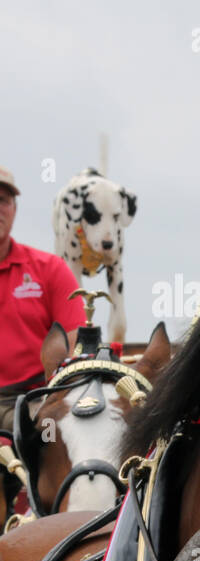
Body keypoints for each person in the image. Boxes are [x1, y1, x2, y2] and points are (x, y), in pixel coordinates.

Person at [0, 165, 86, 432]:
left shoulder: (50, 270)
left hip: (34, 402)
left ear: (14, 209)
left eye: (3, 200)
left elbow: (77, 348)